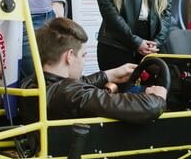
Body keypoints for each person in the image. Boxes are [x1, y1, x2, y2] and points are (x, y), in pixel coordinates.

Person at [19, 18, 166, 124]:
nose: (83, 61)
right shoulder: (70, 94)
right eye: (83, 56)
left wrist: (107, 75)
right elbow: (147, 108)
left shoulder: (29, 84)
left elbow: (69, 87)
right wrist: (157, 97)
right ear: (70, 56)